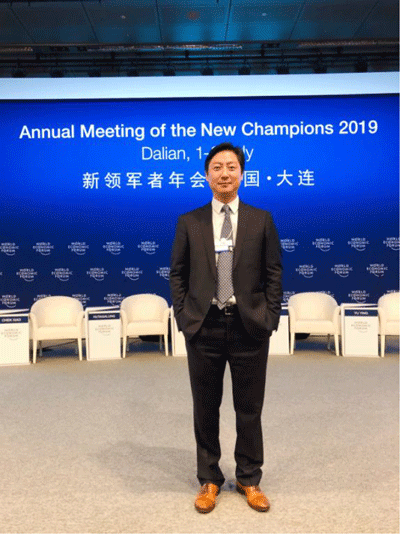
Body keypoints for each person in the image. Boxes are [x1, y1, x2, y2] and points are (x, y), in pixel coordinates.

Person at [170, 142, 282, 513]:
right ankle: (210, 479)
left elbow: (273, 273)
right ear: (206, 175)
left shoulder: (260, 219)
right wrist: (185, 317)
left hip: (249, 326)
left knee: (249, 408)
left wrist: (268, 317)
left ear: (242, 174)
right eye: (217, 167)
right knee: (205, 407)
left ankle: (249, 478)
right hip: (204, 326)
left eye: (231, 167)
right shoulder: (190, 221)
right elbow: (178, 274)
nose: (224, 174)